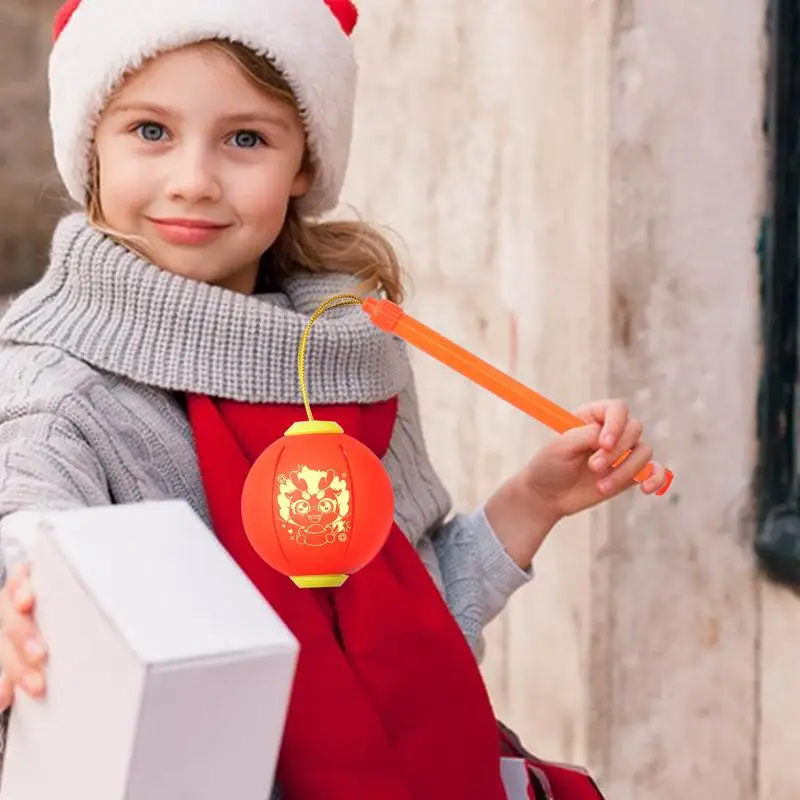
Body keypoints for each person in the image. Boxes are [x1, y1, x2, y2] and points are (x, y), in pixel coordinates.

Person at [0, 0, 668, 797]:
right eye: (150, 130)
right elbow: (28, 571)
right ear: (91, 149)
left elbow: (412, 637)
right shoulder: (58, 395)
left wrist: (533, 502)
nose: (194, 180)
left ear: (305, 163)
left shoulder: (348, 354)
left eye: (246, 138)